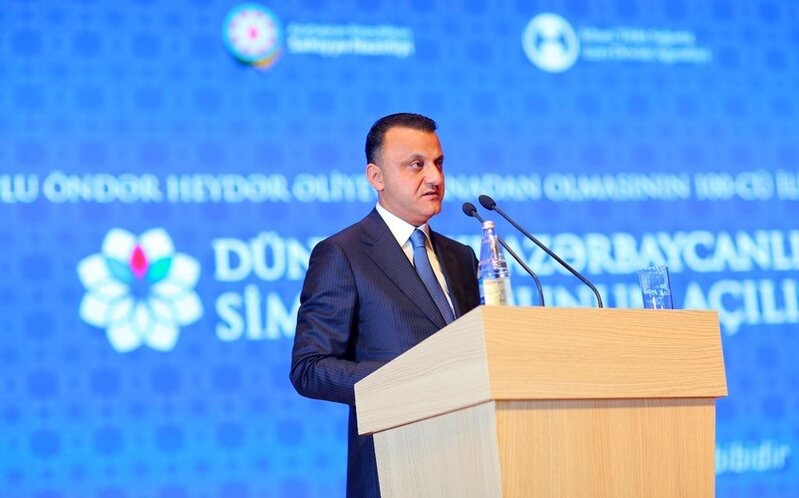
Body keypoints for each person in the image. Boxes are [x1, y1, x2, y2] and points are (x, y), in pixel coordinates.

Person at [290, 112, 481, 497]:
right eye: (416, 165)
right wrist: (407, 382)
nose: (435, 177)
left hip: (472, 462)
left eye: (438, 163)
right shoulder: (343, 253)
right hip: (394, 466)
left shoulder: (461, 256)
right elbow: (309, 368)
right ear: (376, 177)